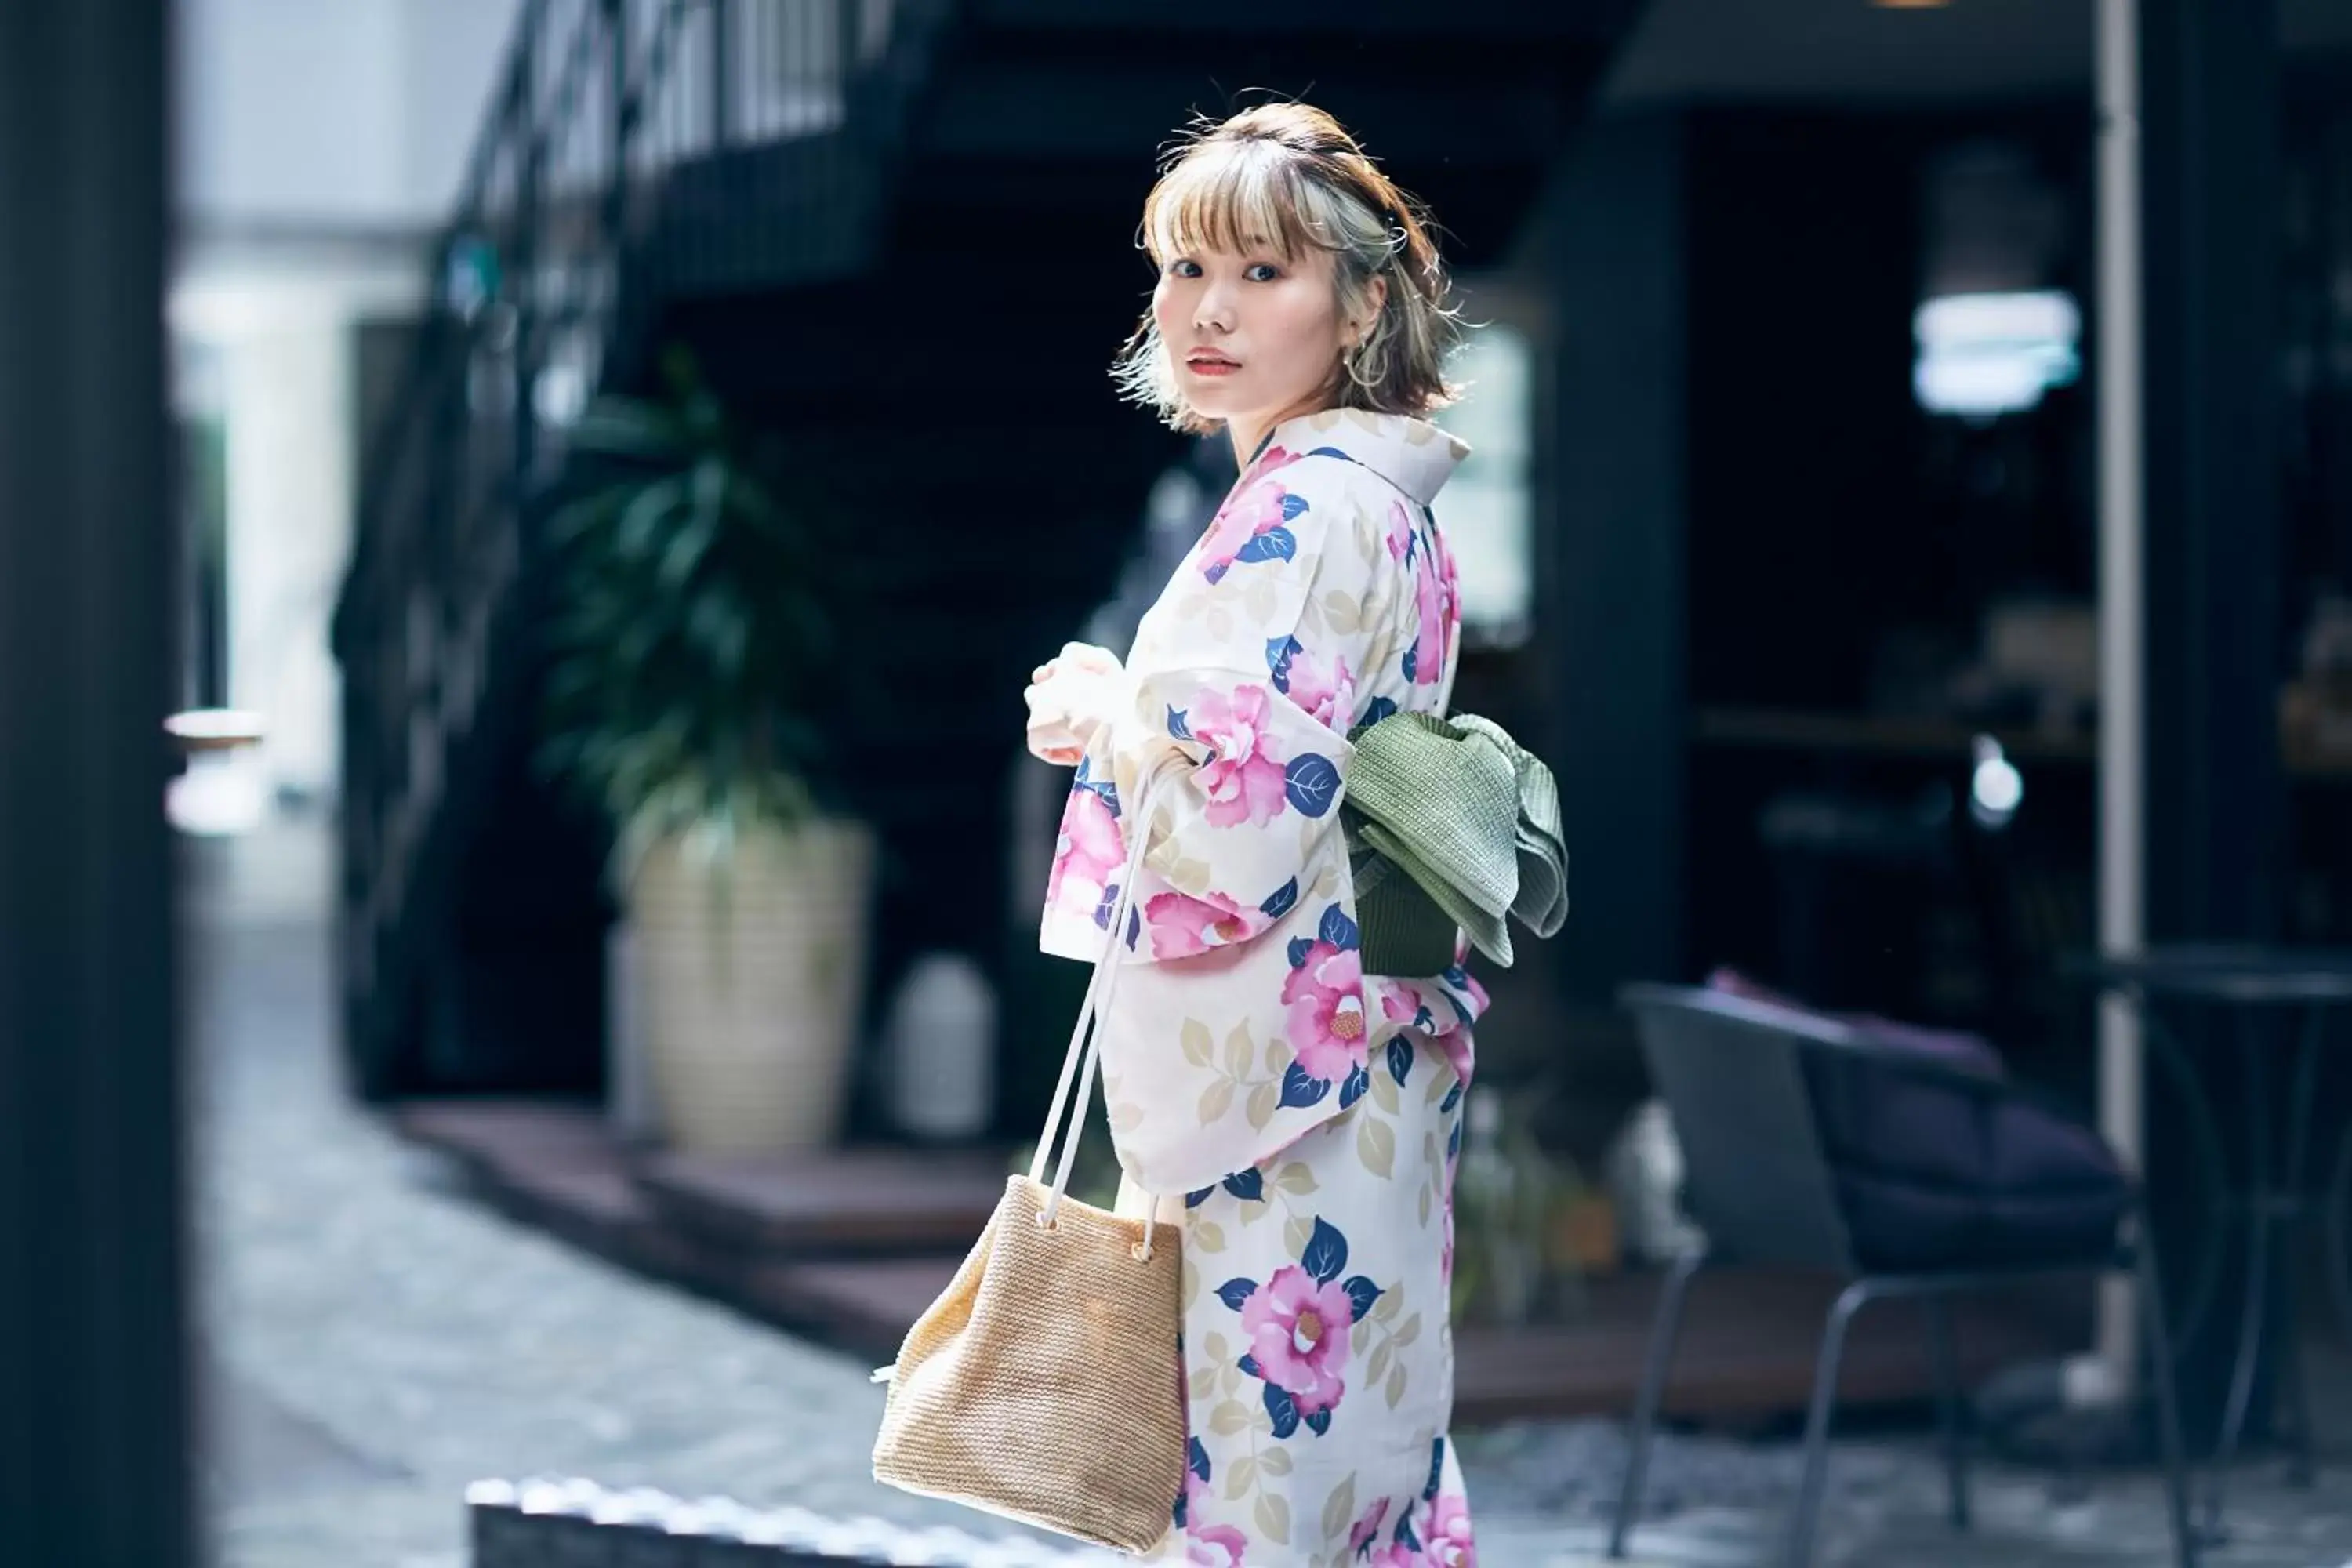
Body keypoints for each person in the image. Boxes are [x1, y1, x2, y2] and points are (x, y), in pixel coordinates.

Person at [1022, 102, 1483, 1568]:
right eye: (1183, 269)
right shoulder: (1368, 498)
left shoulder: (1311, 508)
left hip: (1295, 1074)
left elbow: (1245, 787)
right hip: (1366, 1038)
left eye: (1263, 274)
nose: (1207, 311)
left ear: (1359, 308)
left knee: (1263, 1457)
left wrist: (1108, 711)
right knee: (1359, 1432)